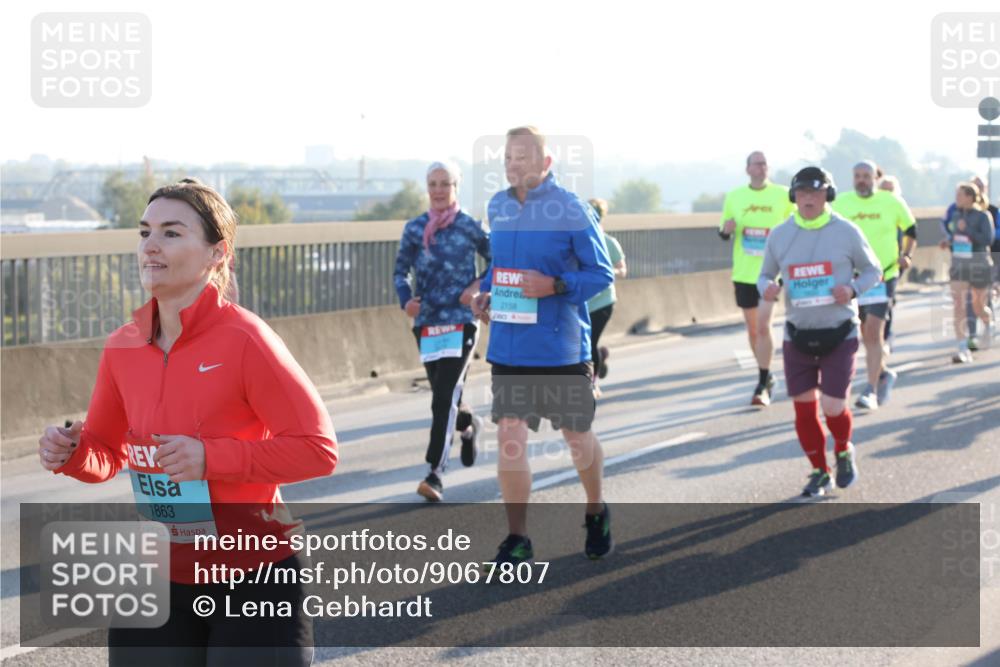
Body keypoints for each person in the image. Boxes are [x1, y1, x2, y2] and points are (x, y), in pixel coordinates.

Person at [37, 179, 338, 666]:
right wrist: (71, 453)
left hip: (252, 577)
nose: (150, 246)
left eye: (171, 233)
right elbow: (105, 454)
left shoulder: (246, 339)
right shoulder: (122, 345)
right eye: (145, 232)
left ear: (217, 254)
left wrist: (210, 458)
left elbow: (318, 449)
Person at [471, 126, 614, 563]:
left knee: (577, 438)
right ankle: (518, 537)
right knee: (510, 440)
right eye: (507, 159)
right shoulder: (498, 206)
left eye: (522, 158)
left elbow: (600, 273)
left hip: (561, 348)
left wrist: (554, 285)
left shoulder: (571, 208)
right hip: (510, 347)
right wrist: (486, 293)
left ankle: (596, 509)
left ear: (546, 162)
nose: (513, 166)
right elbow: (500, 267)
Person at [758, 167, 881, 497]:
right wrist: (767, 287)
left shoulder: (846, 231)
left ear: (828, 195)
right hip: (797, 333)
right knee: (803, 407)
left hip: (839, 332)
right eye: (801, 194)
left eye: (815, 193)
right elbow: (764, 275)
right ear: (793, 197)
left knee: (832, 405)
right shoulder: (780, 235)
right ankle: (819, 471)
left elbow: (874, 271)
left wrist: (852, 289)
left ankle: (842, 448)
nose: (808, 199)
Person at [393, 160, 491, 502]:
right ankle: (468, 425)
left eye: (444, 184)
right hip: (427, 323)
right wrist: (406, 300)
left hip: (461, 320)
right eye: (433, 184)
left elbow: (497, 261)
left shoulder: (470, 226)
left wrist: (476, 287)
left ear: (455, 187)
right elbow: (400, 271)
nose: (438, 190)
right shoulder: (415, 228)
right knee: (443, 394)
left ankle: (434, 473)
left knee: (443, 395)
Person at [833, 161, 917, 410]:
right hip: (853, 278)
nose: (861, 180)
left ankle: (870, 390)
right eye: (857, 176)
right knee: (864, 333)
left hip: (884, 274)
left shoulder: (891, 201)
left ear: (875, 178)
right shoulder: (841, 202)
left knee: (874, 330)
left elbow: (911, 229)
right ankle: (883, 374)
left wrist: (907, 254)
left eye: (866, 176)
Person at [718, 151, 794, 406]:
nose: (762, 167)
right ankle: (767, 373)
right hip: (744, 272)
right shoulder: (735, 196)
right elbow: (724, 230)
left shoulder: (783, 194)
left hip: (772, 272)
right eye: (757, 164)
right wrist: (726, 230)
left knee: (763, 326)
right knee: (753, 329)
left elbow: (797, 224)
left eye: (765, 164)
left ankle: (762, 383)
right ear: (747, 169)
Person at [941, 176, 999, 350]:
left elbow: (987, 240)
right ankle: (962, 346)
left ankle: (988, 323)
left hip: (979, 265)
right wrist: (948, 241)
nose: (956, 198)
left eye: (960, 195)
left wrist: (967, 229)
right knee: (959, 305)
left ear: (969, 197)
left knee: (978, 307)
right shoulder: (956, 215)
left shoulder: (983, 216)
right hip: (959, 265)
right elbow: (956, 236)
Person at [585, 197, 627, 395]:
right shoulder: (579, 241)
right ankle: (600, 358)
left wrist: (609, 272)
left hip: (603, 301)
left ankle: (592, 383)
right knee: (582, 343)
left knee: (590, 341)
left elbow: (623, 270)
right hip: (583, 302)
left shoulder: (609, 242)